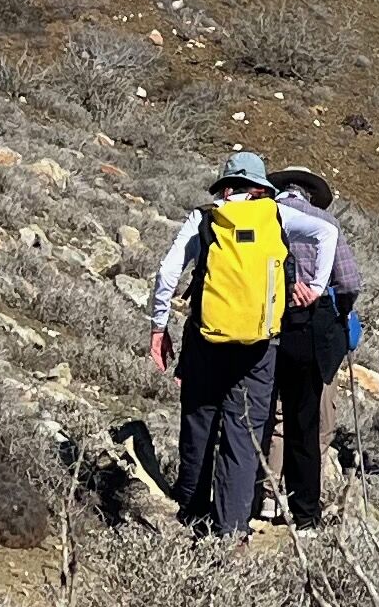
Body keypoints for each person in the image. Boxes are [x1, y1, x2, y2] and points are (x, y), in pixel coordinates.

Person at [147, 149, 289, 538]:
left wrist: (159, 327)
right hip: (260, 345)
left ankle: (191, 508)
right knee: (244, 432)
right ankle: (232, 527)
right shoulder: (276, 217)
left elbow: (167, 272)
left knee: (199, 419)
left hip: (206, 339)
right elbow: (324, 234)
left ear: (225, 187)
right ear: (261, 188)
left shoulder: (205, 218)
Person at [263, 168, 363, 529]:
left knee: (267, 415)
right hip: (311, 330)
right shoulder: (325, 223)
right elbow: (349, 281)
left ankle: (263, 496)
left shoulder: (262, 215)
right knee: (305, 421)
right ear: (310, 193)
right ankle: (303, 511)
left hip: (263, 324)